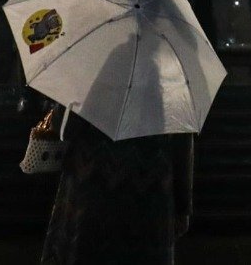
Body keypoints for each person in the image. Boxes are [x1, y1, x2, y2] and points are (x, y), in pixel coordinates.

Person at [41, 108, 194, 265]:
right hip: (149, 197)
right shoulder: (170, 87)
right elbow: (182, 141)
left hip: (90, 195)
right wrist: (183, 206)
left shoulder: (87, 84)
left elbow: (64, 128)